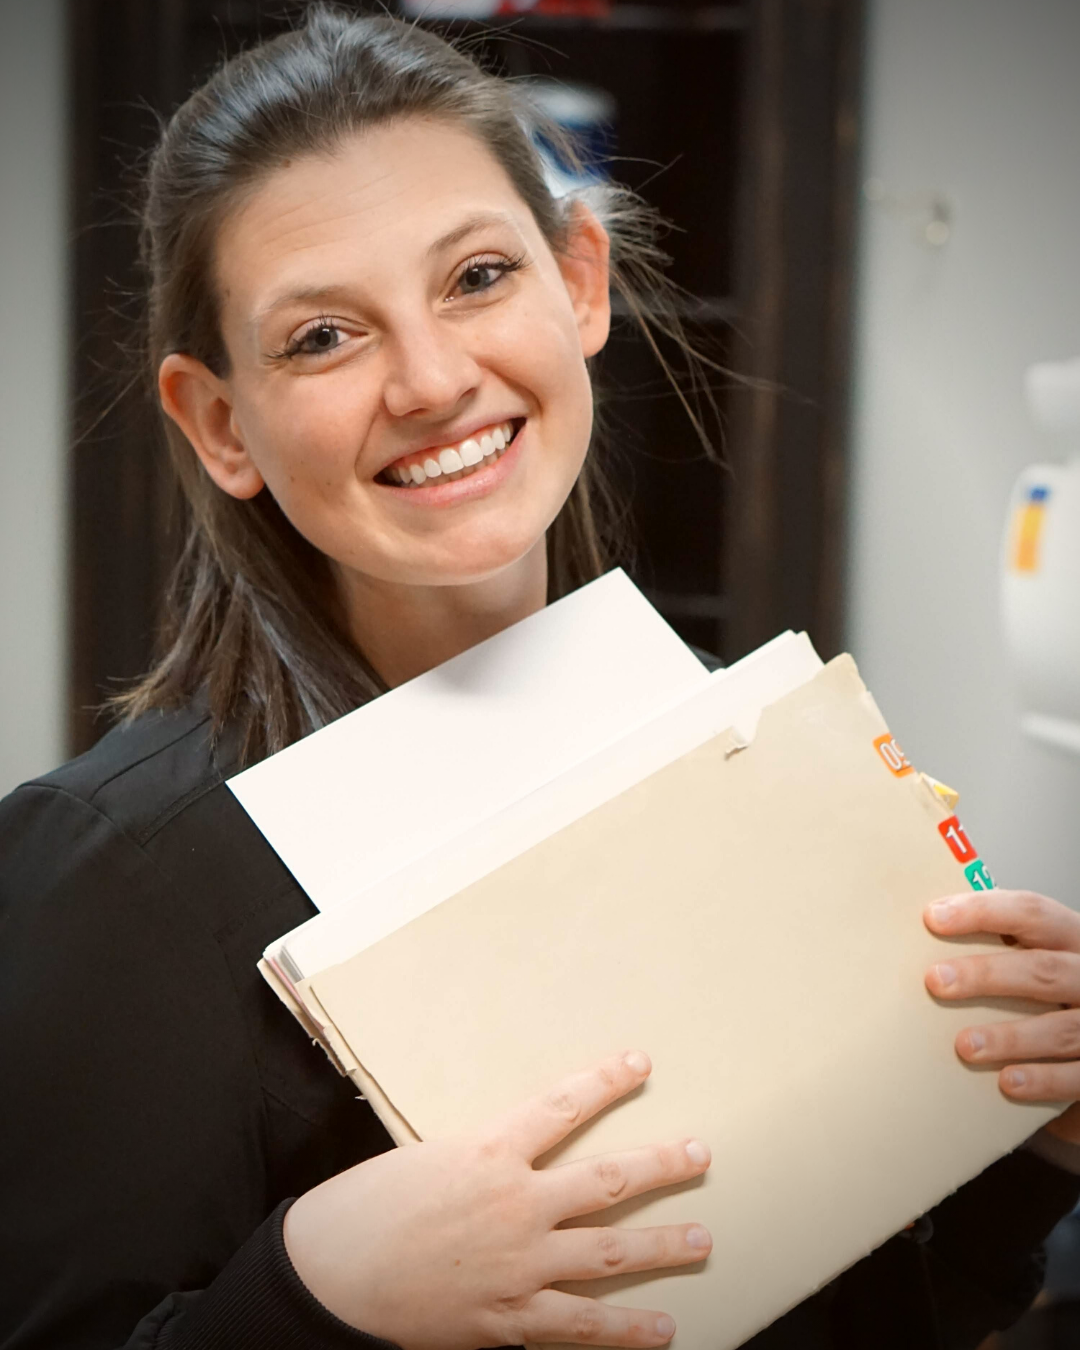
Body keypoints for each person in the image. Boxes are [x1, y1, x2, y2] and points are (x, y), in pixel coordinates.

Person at [2, 7, 1080, 1349]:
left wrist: (1032, 1135)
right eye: (324, 337)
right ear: (221, 421)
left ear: (580, 283)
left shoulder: (728, 732)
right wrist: (307, 1293)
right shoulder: (110, 875)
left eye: (475, 278)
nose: (435, 378)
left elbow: (881, 1313)